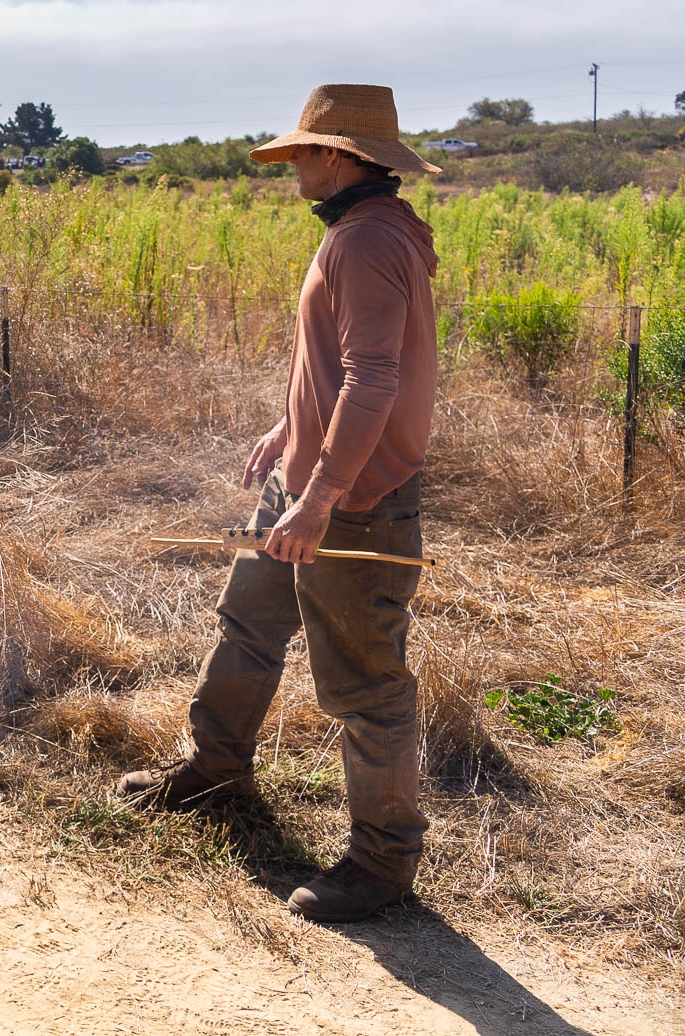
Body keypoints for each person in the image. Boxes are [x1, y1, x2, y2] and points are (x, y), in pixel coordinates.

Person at [116, 84, 442, 922]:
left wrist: (322, 496)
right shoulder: (363, 231)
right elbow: (341, 367)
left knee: (366, 686)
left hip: (353, 498)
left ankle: (382, 863)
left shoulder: (368, 242)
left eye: (302, 151)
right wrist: (285, 429)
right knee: (250, 625)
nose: (292, 163)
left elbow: (376, 379)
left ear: (338, 157)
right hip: (307, 479)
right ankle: (214, 770)